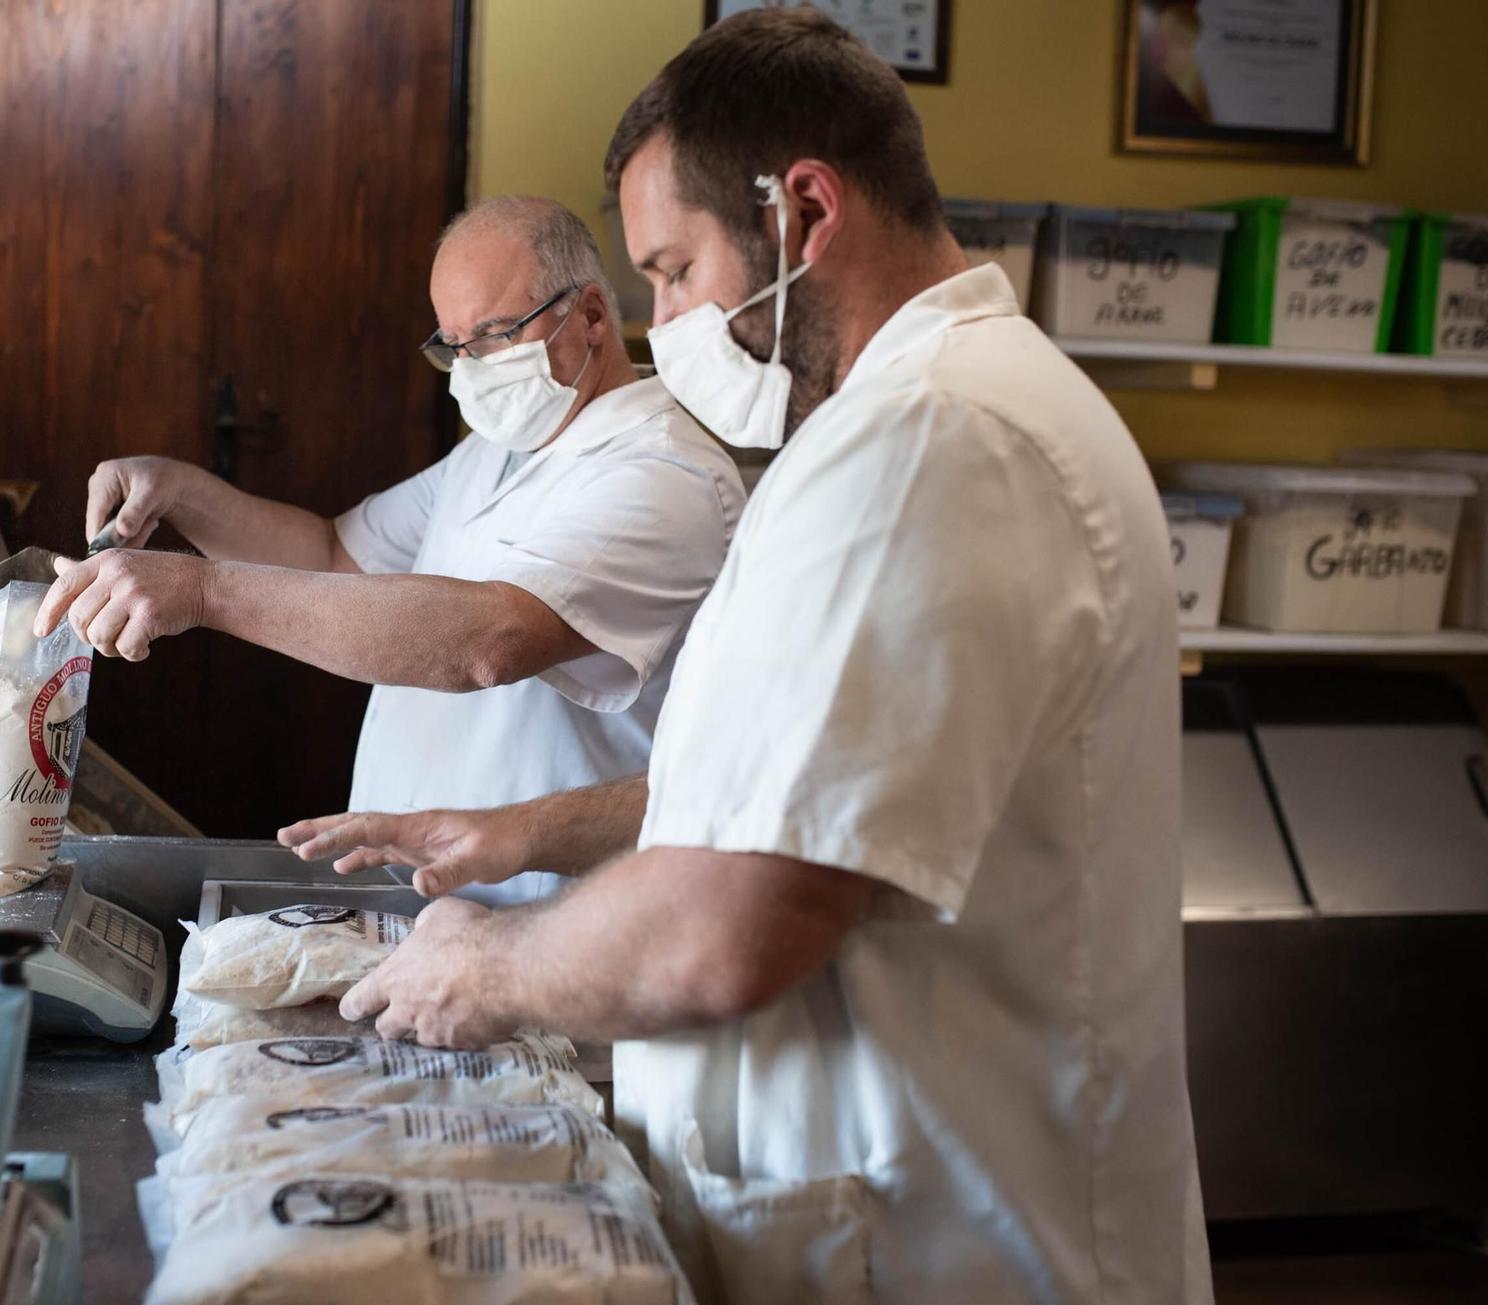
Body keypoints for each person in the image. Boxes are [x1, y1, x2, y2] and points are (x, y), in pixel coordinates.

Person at [278, 11, 1211, 1303]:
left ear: (806, 210)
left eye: (669, 270)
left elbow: (739, 921)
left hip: (937, 1244)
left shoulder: (935, 443)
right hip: (852, 1219)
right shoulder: (881, 435)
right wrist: (530, 831)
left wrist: (491, 967)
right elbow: (779, 787)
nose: (657, 325)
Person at [36, 196, 744, 905]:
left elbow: (490, 640)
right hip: (427, 906)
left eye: (495, 335)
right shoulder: (497, 452)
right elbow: (333, 552)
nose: (471, 369)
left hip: (558, 915)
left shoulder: (663, 472)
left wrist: (204, 592)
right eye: (453, 346)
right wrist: (180, 493)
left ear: (590, 314)